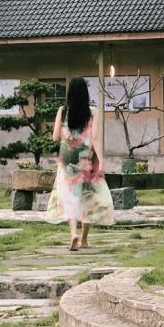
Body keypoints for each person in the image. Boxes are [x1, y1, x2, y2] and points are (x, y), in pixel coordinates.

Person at [46, 77, 114, 250]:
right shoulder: (93, 112)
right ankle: (84, 240)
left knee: (69, 196)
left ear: (69, 93)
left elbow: (55, 137)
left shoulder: (62, 110)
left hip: (66, 160)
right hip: (86, 158)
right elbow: (96, 138)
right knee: (86, 197)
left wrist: (68, 134)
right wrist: (102, 162)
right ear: (86, 93)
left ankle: (73, 234)